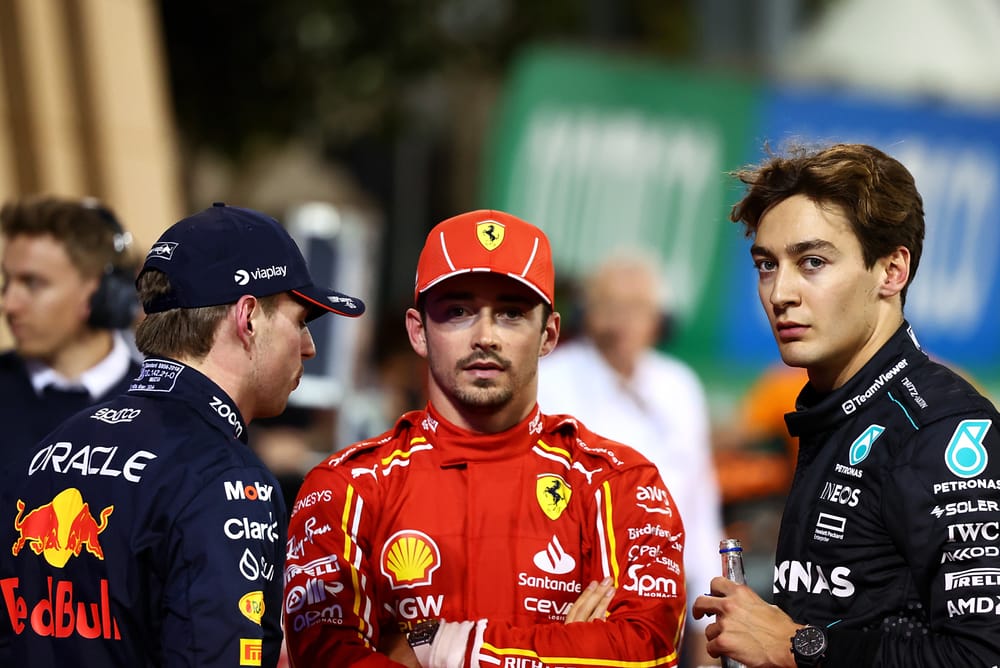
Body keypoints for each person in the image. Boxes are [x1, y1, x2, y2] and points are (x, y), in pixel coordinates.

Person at [283, 210, 687, 667]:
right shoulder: (347, 488)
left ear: (549, 334)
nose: (485, 336)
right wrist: (566, 649)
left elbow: (649, 649)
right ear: (418, 331)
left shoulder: (620, 483)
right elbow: (327, 658)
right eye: (458, 312)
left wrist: (437, 646)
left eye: (511, 314)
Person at [1, 203, 364, 667]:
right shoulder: (227, 480)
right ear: (248, 318)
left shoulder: (47, 452)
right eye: (300, 321)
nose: (309, 347)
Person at [692, 143, 1000, 666]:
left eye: (812, 262)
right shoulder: (833, 410)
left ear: (892, 271)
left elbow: (983, 654)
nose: (780, 293)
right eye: (767, 265)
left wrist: (795, 647)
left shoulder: (942, 430)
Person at [536, 250, 723, 667]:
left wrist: (707, 625)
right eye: (612, 306)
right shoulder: (549, 380)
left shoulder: (679, 386)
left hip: (666, 605)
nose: (624, 321)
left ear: (659, 318)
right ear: (587, 313)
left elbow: (700, 510)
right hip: (576, 604)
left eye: (638, 307)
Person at [0, 196, 142, 486]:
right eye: (6, 282)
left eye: (32, 283)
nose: (8, 304)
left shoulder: (166, 407)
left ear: (99, 292)